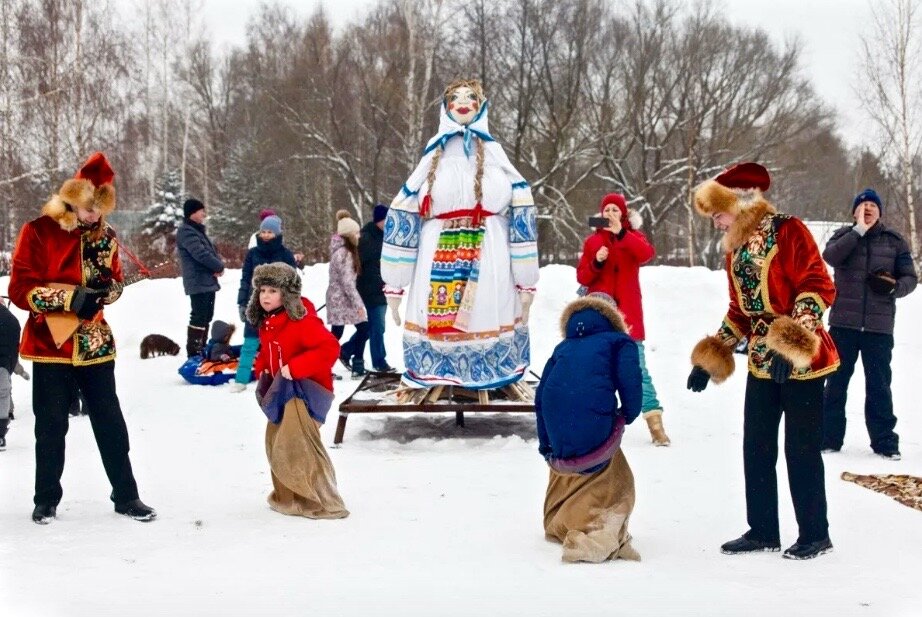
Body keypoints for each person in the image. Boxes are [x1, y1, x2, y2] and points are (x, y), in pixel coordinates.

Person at [686, 162, 838, 560]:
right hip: (759, 360)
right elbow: (740, 311)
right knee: (756, 446)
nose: (716, 223)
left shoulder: (789, 230)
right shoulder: (734, 252)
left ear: (737, 204)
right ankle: (763, 529)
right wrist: (711, 357)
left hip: (802, 360)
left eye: (717, 214)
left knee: (800, 449)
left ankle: (815, 533)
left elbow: (817, 286)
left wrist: (793, 342)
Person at [8, 152, 156, 524]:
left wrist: (108, 290)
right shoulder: (38, 230)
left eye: (99, 210)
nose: (94, 216)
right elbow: (20, 288)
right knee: (51, 424)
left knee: (110, 421)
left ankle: (127, 496)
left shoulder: (107, 237)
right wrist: (69, 298)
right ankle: (46, 499)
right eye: (89, 208)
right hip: (50, 344)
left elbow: (115, 283)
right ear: (72, 199)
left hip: (93, 342)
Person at [381, 79, 539, 389]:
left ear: (482, 107)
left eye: (471, 98)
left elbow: (523, 208)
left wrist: (526, 281)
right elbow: (403, 211)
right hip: (437, 249)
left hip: (489, 251)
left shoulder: (494, 154)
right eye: (455, 98)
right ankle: (438, 370)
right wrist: (395, 284)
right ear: (445, 107)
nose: (463, 103)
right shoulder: (433, 155)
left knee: (485, 309)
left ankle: (491, 371)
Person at [536, 292, 642, 563]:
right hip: (594, 431)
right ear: (613, 317)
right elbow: (631, 385)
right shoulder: (620, 342)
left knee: (573, 457)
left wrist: (546, 443)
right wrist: (627, 415)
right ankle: (598, 529)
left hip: (556, 431)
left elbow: (542, 396)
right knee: (620, 482)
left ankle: (560, 517)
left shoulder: (563, 347)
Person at [821, 188, 918, 460]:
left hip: (879, 329)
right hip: (843, 326)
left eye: (873, 205)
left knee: (879, 386)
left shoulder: (894, 242)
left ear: (880, 211)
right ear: (854, 212)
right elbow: (831, 258)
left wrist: (893, 287)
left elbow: (910, 279)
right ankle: (828, 438)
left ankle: (885, 442)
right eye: (862, 205)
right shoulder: (843, 237)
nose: (868, 208)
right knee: (835, 384)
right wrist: (858, 232)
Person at [247, 262, 349, 519]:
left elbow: (329, 348)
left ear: (286, 293)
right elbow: (268, 352)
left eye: (272, 290)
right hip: (282, 391)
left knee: (297, 445)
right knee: (276, 442)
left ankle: (318, 500)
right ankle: (289, 496)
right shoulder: (268, 322)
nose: (266, 296)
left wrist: (297, 366)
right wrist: (262, 369)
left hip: (306, 390)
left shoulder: (301, 321)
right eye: (262, 290)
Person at [576, 192, 670, 446]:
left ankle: (655, 423)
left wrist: (621, 235)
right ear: (601, 215)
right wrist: (596, 262)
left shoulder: (633, 237)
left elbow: (645, 254)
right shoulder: (593, 241)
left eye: (615, 210)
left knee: (639, 370)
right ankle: (599, 424)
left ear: (623, 214)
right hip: (601, 317)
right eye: (606, 211)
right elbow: (583, 277)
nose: (610, 215)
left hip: (629, 317)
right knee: (600, 372)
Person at [232, 214, 297, 393]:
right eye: (263, 231)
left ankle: (279, 377)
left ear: (277, 234)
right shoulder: (253, 254)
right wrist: (242, 303)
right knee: (250, 343)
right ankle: (241, 379)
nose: (266, 235)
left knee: (279, 344)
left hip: (279, 306)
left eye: (270, 232)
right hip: (256, 303)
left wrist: (292, 303)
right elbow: (245, 279)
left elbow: (293, 281)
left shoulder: (285, 254)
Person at [177, 198, 225, 357]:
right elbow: (200, 254)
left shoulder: (197, 230)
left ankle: (202, 347)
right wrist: (217, 266)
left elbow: (210, 252)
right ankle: (194, 350)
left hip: (206, 280)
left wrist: (216, 266)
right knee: (199, 314)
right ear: (193, 213)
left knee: (206, 314)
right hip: (198, 281)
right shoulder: (187, 231)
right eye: (201, 210)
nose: (204, 213)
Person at [326, 210, 369, 378]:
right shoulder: (346, 254)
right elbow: (348, 283)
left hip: (337, 299)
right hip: (342, 300)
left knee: (336, 333)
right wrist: (359, 306)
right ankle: (357, 366)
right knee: (364, 328)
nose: (359, 236)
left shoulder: (339, 251)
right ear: (349, 235)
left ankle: (324, 366)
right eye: (356, 233)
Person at [356, 203, 396, 373]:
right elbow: (356, 265)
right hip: (369, 289)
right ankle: (379, 361)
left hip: (382, 288)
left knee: (376, 327)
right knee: (377, 326)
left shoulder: (387, 237)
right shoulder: (366, 238)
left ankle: (347, 350)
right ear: (379, 220)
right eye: (385, 220)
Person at [0, 298, 20, 450]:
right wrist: (10, 367)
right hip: (3, 365)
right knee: (3, 395)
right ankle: (0, 435)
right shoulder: (11, 320)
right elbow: (15, 348)